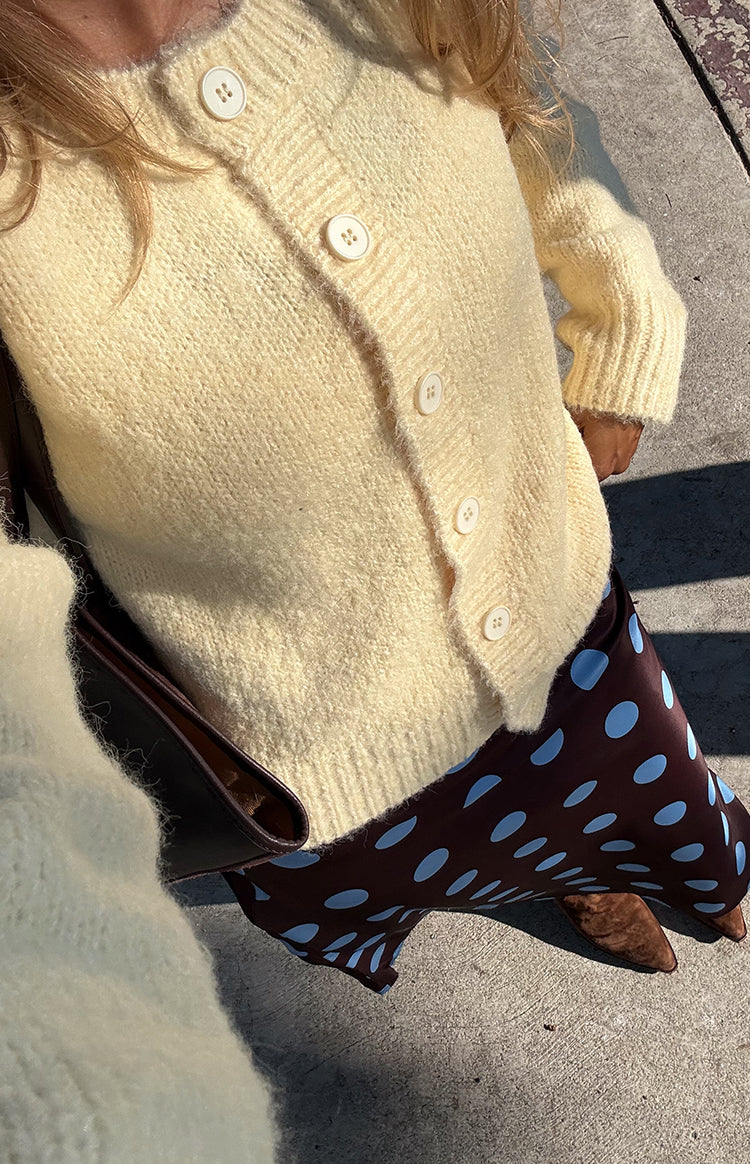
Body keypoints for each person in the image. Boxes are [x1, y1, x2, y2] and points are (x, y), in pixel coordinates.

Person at [0, 0, 747, 1156]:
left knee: (663, 809)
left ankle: (638, 878)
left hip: (562, 618)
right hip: (297, 760)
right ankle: (573, 883)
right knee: (433, 875)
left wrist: (623, 308)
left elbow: (522, 92)